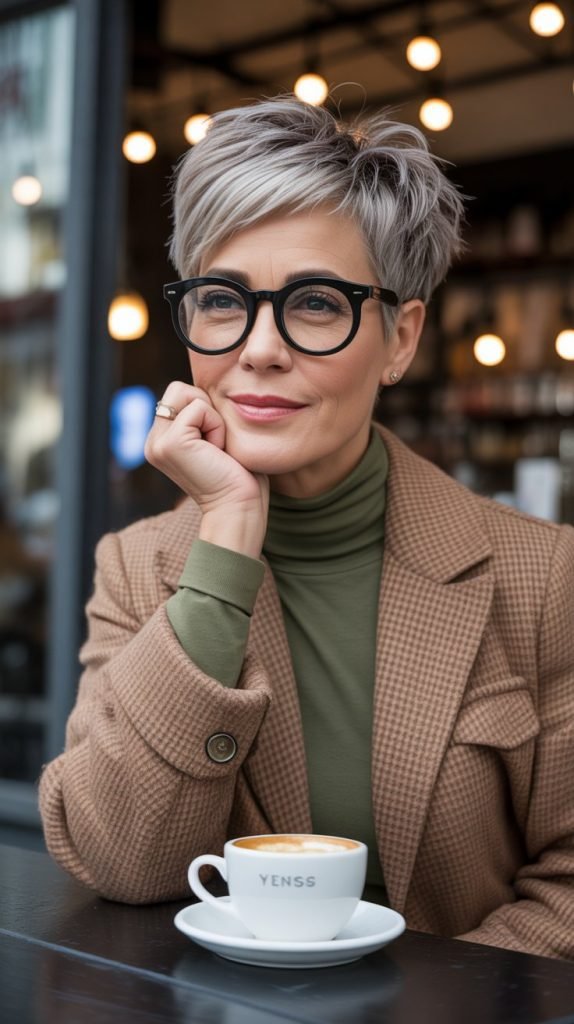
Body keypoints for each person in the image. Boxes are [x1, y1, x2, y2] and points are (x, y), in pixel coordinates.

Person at [39, 97, 574, 960]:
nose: (258, 348)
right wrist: (227, 535)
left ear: (400, 339)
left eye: (316, 303)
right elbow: (119, 859)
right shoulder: (138, 568)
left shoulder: (544, 577)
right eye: (222, 300)